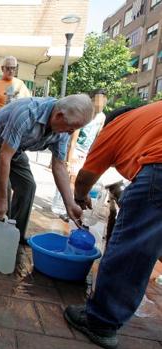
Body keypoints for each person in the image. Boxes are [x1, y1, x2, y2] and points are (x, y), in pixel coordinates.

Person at [64, 101, 162, 349]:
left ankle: (101, 322)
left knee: (130, 251)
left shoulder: (116, 126)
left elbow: (86, 176)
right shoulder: (151, 117)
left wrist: (78, 197)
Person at [0, 94, 94, 243]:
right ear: (58, 116)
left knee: (28, 186)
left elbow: (59, 165)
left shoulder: (64, 129)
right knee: (1, 193)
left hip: (15, 147)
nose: (71, 133)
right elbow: (4, 156)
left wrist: (70, 204)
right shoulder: (27, 113)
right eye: (71, 128)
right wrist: (1, 199)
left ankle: (15, 236)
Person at [67, 89, 107, 182]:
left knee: (76, 182)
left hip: (85, 153)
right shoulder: (83, 114)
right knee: (70, 180)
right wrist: (68, 162)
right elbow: (72, 141)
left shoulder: (102, 117)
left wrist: (90, 158)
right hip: (75, 151)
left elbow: (97, 138)